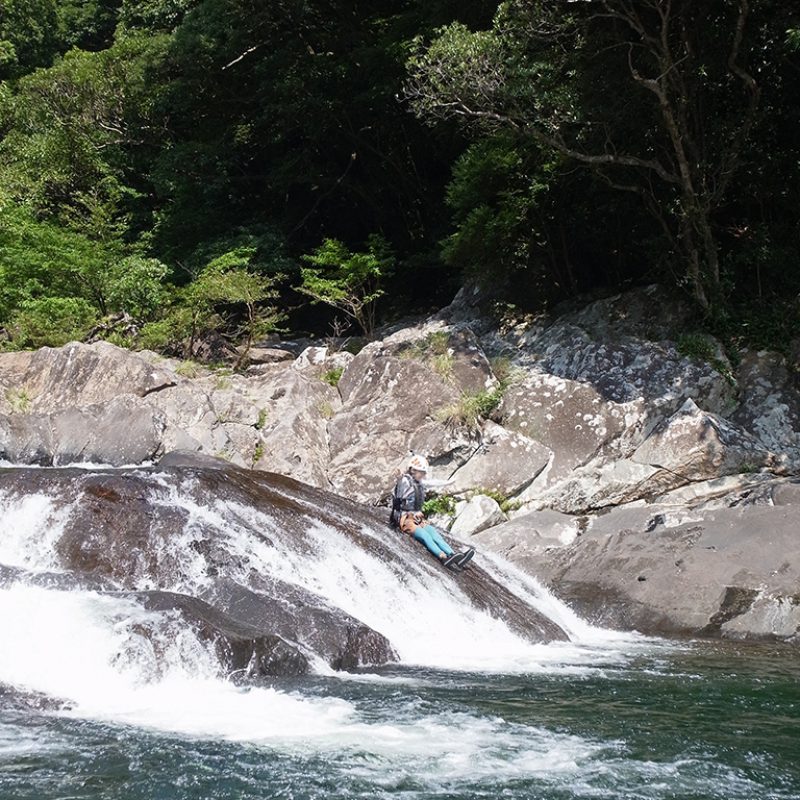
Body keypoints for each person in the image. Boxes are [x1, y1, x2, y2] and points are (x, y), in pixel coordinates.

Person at [390, 455, 474, 570]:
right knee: (425, 536)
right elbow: (400, 496)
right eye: (422, 472)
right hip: (404, 519)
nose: (424, 475)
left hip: (416, 519)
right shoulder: (405, 481)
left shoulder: (418, 482)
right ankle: (443, 557)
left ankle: (454, 555)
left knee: (435, 534)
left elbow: (433, 482)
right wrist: (399, 477)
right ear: (413, 470)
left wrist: (448, 483)